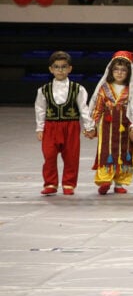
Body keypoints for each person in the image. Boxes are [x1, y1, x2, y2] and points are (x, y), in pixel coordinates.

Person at [35, 51, 95, 195]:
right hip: (51, 127)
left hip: (71, 126)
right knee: (49, 155)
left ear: (70, 69)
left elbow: (84, 109)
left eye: (63, 67)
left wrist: (89, 126)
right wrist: (40, 128)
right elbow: (40, 109)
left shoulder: (78, 89)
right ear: (51, 69)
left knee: (71, 156)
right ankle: (50, 183)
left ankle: (69, 184)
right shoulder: (43, 90)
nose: (60, 70)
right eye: (56, 67)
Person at [88, 52, 133, 194]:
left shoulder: (132, 90)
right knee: (106, 151)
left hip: (125, 126)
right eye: (116, 69)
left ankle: (120, 182)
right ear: (111, 71)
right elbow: (97, 108)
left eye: (123, 70)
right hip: (107, 126)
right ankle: (105, 180)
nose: (119, 73)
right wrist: (91, 126)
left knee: (125, 152)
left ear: (129, 72)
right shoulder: (104, 88)